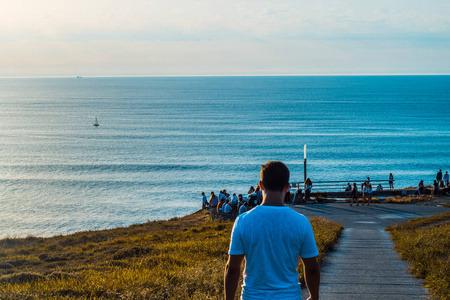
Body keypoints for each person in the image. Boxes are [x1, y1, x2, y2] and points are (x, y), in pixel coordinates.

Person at [224, 161, 320, 300]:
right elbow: (312, 268)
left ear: (261, 185)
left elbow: (232, 269)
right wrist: (314, 297)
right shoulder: (301, 222)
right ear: (287, 187)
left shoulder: (243, 221)